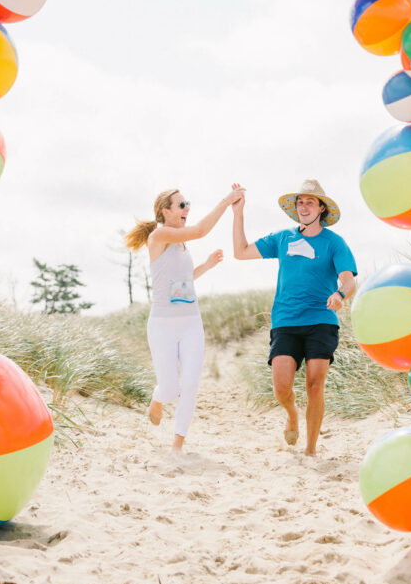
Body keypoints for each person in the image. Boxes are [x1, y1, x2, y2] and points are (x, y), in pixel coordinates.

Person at [232, 178, 357, 456]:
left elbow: (349, 280)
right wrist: (238, 212)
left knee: (314, 385)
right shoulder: (282, 238)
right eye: (300, 202)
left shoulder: (335, 243)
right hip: (286, 322)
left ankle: (310, 449)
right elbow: (240, 253)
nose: (304, 206)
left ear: (321, 208)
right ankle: (291, 414)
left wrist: (340, 294)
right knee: (281, 388)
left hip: (321, 320)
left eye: (310, 201)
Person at [125, 186, 244, 452]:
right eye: (181, 205)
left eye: (187, 204)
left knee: (190, 384)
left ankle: (177, 444)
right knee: (170, 390)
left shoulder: (181, 242)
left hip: (191, 322)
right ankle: (158, 398)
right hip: (162, 326)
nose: (186, 209)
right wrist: (226, 201)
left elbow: (183, 282)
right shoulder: (160, 235)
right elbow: (201, 230)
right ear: (165, 212)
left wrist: (207, 266)